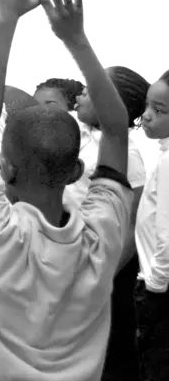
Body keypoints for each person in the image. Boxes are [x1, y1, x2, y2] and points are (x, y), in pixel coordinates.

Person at [0, 0, 133, 381]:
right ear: (77, 171)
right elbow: (116, 128)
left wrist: (3, 20)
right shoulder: (100, 238)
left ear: (7, 169)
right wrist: (75, 39)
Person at [64, 65, 151, 381]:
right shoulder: (71, 131)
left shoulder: (126, 155)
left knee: (111, 351)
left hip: (108, 264)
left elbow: (131, 223)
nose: (82, 92)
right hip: (69, 255)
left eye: (91, 88)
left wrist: (104, 274)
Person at [134, 70, 168, 380]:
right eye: (148, 106)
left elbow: (167, 236)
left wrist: (154, 287)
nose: (146, 116)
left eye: (159, 110)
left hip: (160, 290)